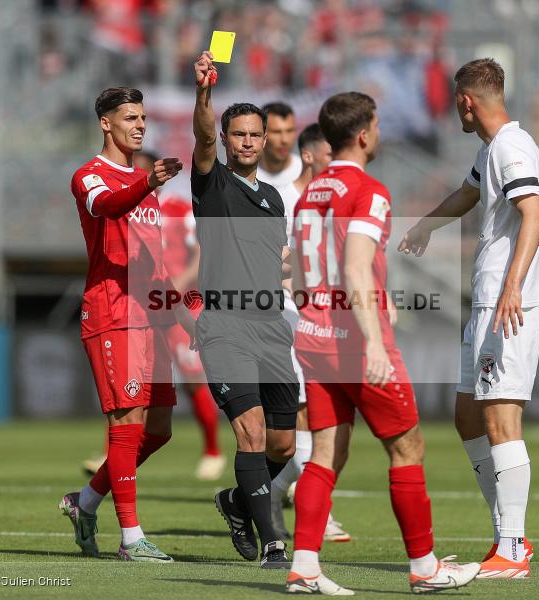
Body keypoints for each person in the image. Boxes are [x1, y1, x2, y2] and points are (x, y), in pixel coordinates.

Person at [286, 92, 480, 594]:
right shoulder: (369, 191)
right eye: (376, 122)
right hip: (353, 340)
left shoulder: (309, 192)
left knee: (326, 451)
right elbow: (352, 267)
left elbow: (306, 270)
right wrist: (372, 341)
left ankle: (304, 568)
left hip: (313, 335)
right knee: (407, 445)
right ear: (365, 134)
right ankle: (424, 569)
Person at [399, 58, 539, 579]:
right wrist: (425, 226)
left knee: (500, 418)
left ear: (467, 101)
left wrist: (512, 286)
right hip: (489, 298)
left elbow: (534, 212)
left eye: (455, 103)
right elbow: (468, 193)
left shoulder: (510, 146)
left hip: (509, 302)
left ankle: (511, 547)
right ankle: (508, 535)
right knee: (468, 414)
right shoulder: (492, 148)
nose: (453, 111)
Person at [60, 87, 191, 563]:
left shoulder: (144, 182)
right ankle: (131, 538)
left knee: (158, 429)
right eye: (130, 117)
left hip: (150, 318)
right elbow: (107, 206)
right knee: (126, 425)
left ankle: (87, 500)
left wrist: (183, 316)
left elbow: (154, 265)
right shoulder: (90, 176)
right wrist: (147, 183)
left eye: (143, 117)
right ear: (105, 123)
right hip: (112, 312)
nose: (139, 125)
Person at [191, 50, 298, 569]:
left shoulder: (275, 199)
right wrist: (205, 93)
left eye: (256, 134)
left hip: (272, 326)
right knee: (251, 433)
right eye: (240, 134)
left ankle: (236, 501)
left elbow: (272, 262)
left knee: (281, 444)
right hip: (226, 326)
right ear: (228, 140)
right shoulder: (213, 185)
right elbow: (204, 138)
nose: (249, 141)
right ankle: (273, 539)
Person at [80, 151, 226, 482]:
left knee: (192, 380)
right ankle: (112, 453)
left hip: (179, 303)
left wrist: (180, 283)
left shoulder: (177, 208)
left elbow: (203, 252)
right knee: (127, 388)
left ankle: (213, 451)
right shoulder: (126, 212)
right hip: (139, 307)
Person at [265, 124, 350, 543]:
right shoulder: (283, 197)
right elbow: (272, 260)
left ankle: (260, 499)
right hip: (290, 319)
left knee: (327, 420)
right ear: (313, 155)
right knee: (307, 415)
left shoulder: (332, 200)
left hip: (326, 318)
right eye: (331, 155)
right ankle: (312, 511)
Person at [257, 102, 303, 187]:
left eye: (290, 131)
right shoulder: (244, 176)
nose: (284, 140)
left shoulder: (306, 172)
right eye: (276, 132)